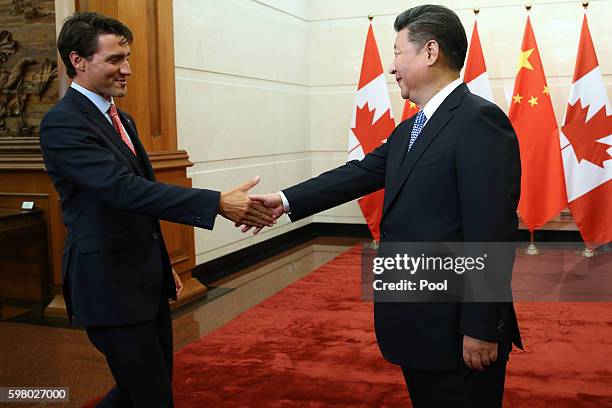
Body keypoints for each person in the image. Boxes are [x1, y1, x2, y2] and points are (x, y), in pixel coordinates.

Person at [244, 5, 522, 407]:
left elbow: (491, 231)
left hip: (455, 326)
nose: (392, 67)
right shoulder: (412, 126)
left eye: (396, 52)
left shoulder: (479, 121)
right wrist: (285, 201)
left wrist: (481, 325)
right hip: (417, 320)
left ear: (429, 52)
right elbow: (357, 174)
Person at [40, 12, 275, 407]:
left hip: (139, 278)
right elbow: (123, 190)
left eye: (127, 57)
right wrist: (216, 202)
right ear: (78, 60)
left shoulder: (122, 119)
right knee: (149, 395)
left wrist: (162, 264)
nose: (127, 69)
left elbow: (140, 201)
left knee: (145, 388)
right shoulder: (62, 123)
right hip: (108, 285)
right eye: (115, 59)